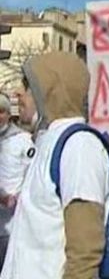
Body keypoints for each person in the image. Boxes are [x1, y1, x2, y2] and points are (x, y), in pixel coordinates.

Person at [1, 52, 109, 279]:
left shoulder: (79, 146)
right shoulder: (49, 140)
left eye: (28, 85)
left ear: (51, 90)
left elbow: (84, 252)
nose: (19, 94)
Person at [0, 93, 34, 269]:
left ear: (8, 114)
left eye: (2, 111)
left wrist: (17, 197)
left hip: (12, 225)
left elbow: (33, 174)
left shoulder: (23, 140)